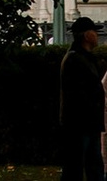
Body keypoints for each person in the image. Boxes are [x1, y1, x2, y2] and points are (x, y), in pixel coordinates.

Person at [60, 11, 105, 181]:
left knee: (92, 165)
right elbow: (79, 94)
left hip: (87, 123)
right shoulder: (75, 59)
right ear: (87, 35)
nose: (97, 35)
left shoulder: (84, 58)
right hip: (79, 124)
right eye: (94, 31)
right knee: (75, 167)